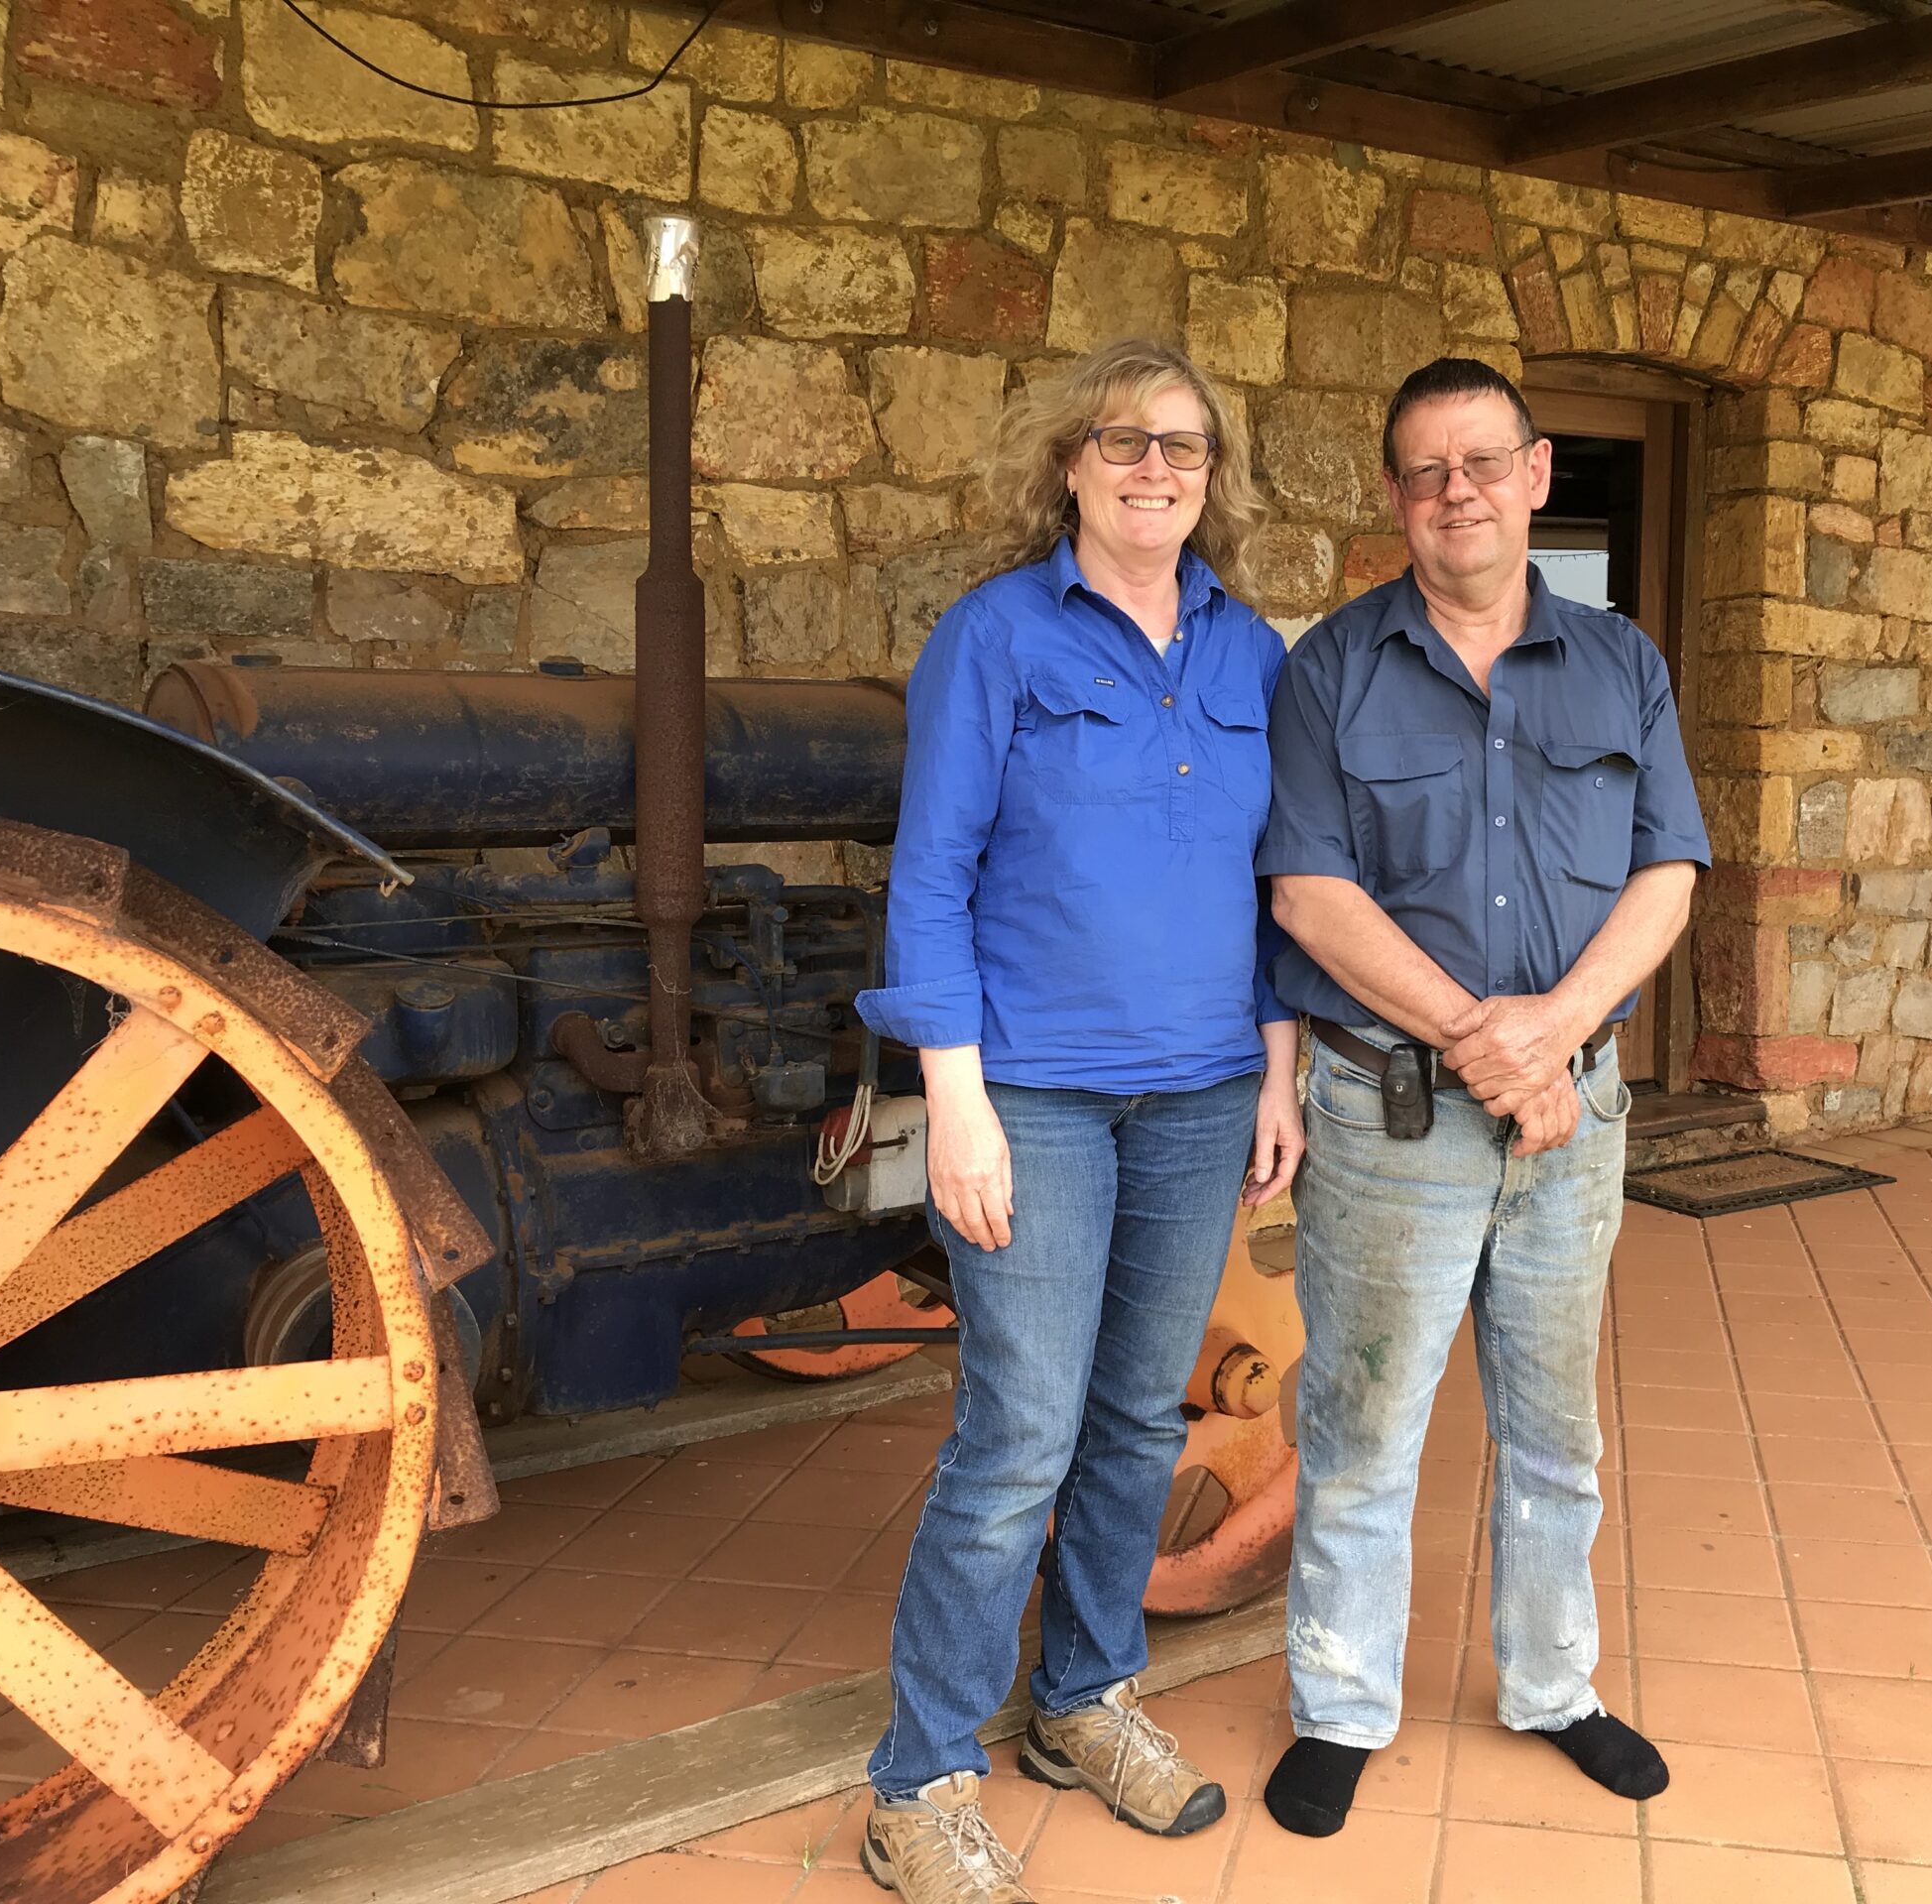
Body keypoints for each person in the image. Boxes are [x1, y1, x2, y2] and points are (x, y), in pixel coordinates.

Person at [851, 337, 1304, 1904]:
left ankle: (1080, 1701)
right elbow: (931, 877)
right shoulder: (995, 640)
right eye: (1122, 443)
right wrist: (953, 1103)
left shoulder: (1255, 659)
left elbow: (1278, 896)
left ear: (1211, 475)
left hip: (1198, 1095)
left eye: (1181, 446)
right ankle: (916, 1785)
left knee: (1134, 1419)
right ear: (1069, 465)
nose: (1153, 468)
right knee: (1021, 1434)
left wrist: (1282, 1075)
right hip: (1031, 1091)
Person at [1253, 357, 1712, 1838]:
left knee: (1552, 1423)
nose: (1457, 493)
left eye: (1481, 463)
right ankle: (1340, 1702)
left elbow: (1670, 871)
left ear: (1536, 474)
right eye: (1426, 472)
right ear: (1399, 500)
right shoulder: (1328, 669)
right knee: (1366, 1417)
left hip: (1572, 1123)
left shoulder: (1622, 665)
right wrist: (1477, 1037)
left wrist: (1560, 1032)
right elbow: (1310, 894)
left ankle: (1554, 1685)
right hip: (1392, 1117)